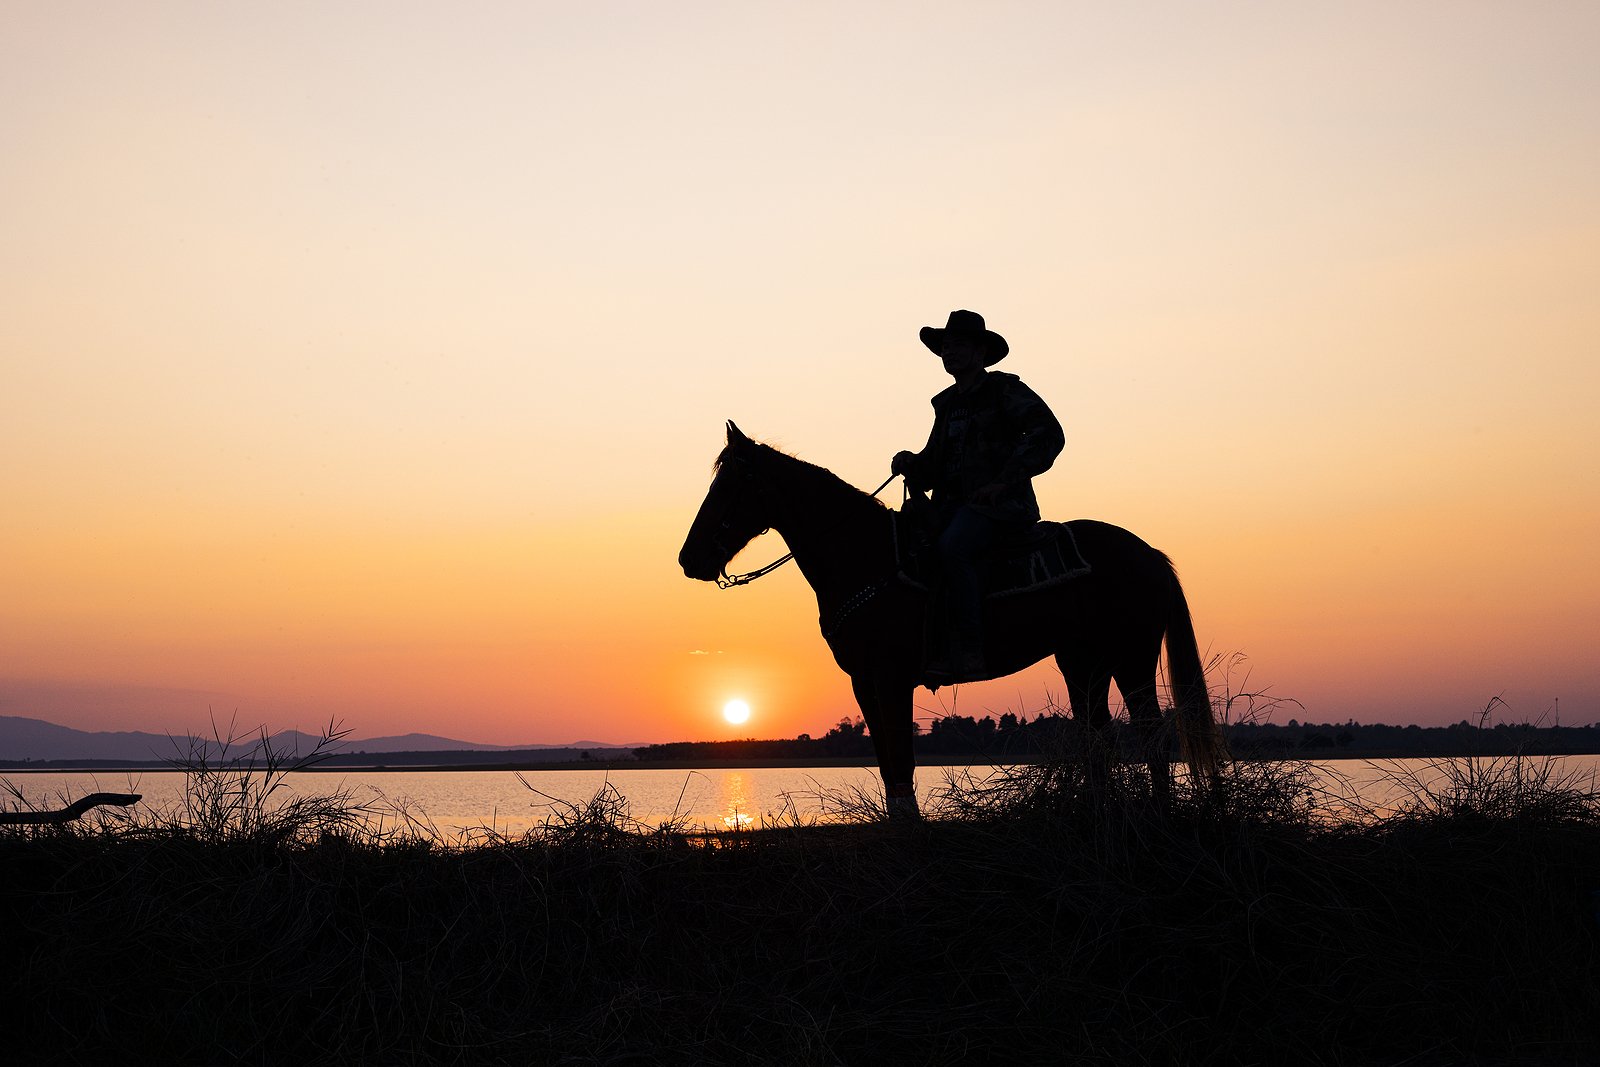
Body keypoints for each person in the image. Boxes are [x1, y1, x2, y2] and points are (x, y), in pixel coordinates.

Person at [891, 310, 1064, 679]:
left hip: (1000, 507)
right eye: (945, 347)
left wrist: (1004, 481)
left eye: (958, 345)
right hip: (952, 507)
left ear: (980, 351)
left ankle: (971, 646)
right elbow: (934, 466)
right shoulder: (947, 405)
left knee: (953, 547)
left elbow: (1048, 434)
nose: (949, 353)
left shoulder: (1005, 391)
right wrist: (911, 463)